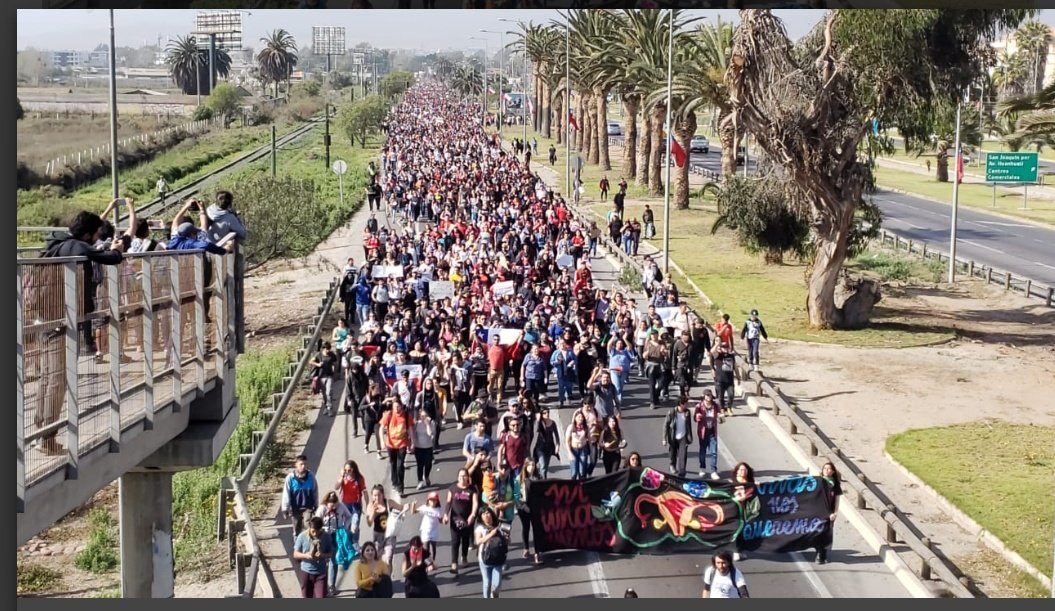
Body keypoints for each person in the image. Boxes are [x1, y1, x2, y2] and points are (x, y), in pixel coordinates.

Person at [33, 209, 126, 455]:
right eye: (96, 234)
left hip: (44, 316)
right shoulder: (75, 247)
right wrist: (117, 249)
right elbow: (109, 258)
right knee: (58, 380)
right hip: (61, 321)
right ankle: (47, 440)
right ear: (87, 233)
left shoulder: (57, 242)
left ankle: (41, 431)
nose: (97, 238)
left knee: (48, 377)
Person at [315, 491, 354, 596]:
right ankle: (321, 585)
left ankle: (331, 585)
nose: (334, 508)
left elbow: (349, 516)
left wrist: (345, 527)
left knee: (334, 559)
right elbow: (316, 522)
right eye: (331, 506)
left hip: (337, 535)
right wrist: (322, 530)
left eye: (335, 505)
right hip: (324, 536)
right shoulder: (322, 509)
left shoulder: (341, 507)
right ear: (327, 503)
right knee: (322, 559)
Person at [443, 468, 479, 576]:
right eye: (460, 476)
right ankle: (454, 563)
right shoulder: (453, 488)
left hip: (467, 519)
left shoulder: (472, 489)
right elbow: (448, 502)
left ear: (468, 477)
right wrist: (446, 514)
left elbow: (475, 503)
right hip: (455, 519)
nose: (462, 478)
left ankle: (464, 557)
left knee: (465, 540)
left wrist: (473, 514)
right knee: (455, 541)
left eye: (464, 476)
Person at [379, 398, 414, 497]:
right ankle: (394, 481)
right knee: (393, 463)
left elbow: (410, 429)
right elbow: (381, 428)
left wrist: (413, 442)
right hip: (391, 444)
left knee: (400, 465)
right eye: (395, 407)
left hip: (402, 443)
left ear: (401, 406)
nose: (396, 409)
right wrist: (382, 441)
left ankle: (401, 487)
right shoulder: (389, 415)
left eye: (398, 407)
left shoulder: (406, 416)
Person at [293, 516, 334, 598]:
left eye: (318, 532)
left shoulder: (326, 537)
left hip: (321, 573)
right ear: (309, 528)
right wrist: (305, 556)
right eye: (313, 531)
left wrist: (323, 555)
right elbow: (295, 554)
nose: (315, 534)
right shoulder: (302, 536)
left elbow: (331, 553)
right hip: (306, 572)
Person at [281, 455, 318, 541]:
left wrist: (316, 505)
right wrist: (285, 509)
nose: (303, 466)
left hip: (308, 507)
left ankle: (307, 546)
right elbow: (286, 494)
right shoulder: (290, 478)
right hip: (295, 508)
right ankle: (297, 547)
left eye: (305, 464)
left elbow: (315, 491)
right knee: (296, 528)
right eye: (301, 464)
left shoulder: (311, 476)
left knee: (307, 525)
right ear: (296, 465)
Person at [475, 507, 509, 598]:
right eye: (484, 514)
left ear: (491, 514)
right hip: (484, 559)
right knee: (487, 583)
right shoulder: (480, 528)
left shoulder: (500, 526)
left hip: (498, 558)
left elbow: (508, 541)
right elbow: (478, 541)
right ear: (481, 517)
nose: (486, 515)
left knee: (497, 584)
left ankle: (495, 594)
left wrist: (506, 537)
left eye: (488, 513)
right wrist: (491, 534)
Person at [515, 458, 542, 564]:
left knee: (536, 529)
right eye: (529, 465)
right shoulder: (519, 478)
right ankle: (526, 548)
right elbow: (516, 496)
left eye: (533, 465)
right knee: (526, 527)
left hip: (535, 507)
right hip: (523, 507)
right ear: (525, 466)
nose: (532, 467)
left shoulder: (537, 477)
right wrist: (523, 507)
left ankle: (537, 553)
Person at [335, 460, 367, 545]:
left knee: (355, 525)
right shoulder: (343, 478)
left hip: (356, 505)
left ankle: (355, 542)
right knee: (347, 525)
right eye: (346, 470)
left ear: (354, 469)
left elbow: (365, 492)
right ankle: (348, 542)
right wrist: (342, 477)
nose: (348, 472)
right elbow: (336, 487)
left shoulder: (359, 478)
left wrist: (368, 505)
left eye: (350, 470)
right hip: (345, 505)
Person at [817, 461, 842, 564]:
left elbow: (837, 500)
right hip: (818, 512)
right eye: (824, 468)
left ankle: (822, 554)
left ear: (832, 472)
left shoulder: (835, 485)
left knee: (826, 533)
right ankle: (820, 553)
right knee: (818, 533)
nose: (826, 471)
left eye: (828, 469)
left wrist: (835, 513)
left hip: (829, 514)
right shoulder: (818, 482)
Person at [662, 395, 694, 477]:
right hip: (673, 437)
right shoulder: (671, 412)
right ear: (680, 404)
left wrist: (689, 437)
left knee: (682, 455)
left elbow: (689, 426)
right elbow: (666, 425)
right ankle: (672, 465)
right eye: (685, 403)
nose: (687, 405)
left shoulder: (687, 413)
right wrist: (664, 439)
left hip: (683, 437)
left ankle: (682, 472)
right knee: (673, 453)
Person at [730, 463, 756, 561]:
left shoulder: (751, 483)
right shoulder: (732, 483)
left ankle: (741, 550)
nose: (742, 471)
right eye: (740, 469)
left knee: (743, 531)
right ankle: (735, 551)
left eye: (745, 470)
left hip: (747, 511)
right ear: (736, 471)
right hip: (735, 511)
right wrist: (740, 498)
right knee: (736, 530)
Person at [694, 390, 721, 480]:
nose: (709, 397)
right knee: (703, 452)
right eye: (707, 395)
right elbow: (695, 418)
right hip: (703, 432)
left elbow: (720, 415)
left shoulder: (715, 406)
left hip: (712, 432)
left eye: (710, 395)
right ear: (704, 396)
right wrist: (697, 416)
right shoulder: (699, 406)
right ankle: (702, 468)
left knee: (713, 452)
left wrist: (721, 417)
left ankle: (713, 471)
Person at [311, 341, 339, 416]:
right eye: (326, 349)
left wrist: (335, 373)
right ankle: (326, 407)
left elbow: (335, 363)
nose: (328, 351)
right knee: (324, 394)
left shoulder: (332, 355)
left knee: (328, 392)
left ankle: (330, 408)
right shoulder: (318, 355)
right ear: (323, 348)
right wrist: (318, 364)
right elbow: (311, 361)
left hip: (329, 375)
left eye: (329, 349)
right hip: (321, 376)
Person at [415, 491, 444, 565]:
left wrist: (444, 520)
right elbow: (413, 512)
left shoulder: (438, 510)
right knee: (426, 548)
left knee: (433, 548)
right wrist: (413, 504)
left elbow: (441, 521)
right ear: (428, 500)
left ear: (437, 501)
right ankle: (426, 564)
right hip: (425, 531)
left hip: (434, 531)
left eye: (434, 500)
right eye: (431, 500)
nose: (433, 502)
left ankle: (432, 562)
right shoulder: (424, 507)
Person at [532, 407, 561, 478]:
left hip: (549, 447)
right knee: (543, 465)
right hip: (540, 447)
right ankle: (543, 481)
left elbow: (556, 435)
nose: (547, 414)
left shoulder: (552, 423)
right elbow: (535, 430)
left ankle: (543, 478)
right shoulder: (539, 423)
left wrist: (557, 445)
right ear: (541, 414)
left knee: (546, 466)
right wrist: (538, 420)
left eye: (548, 412)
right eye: (544, 413)